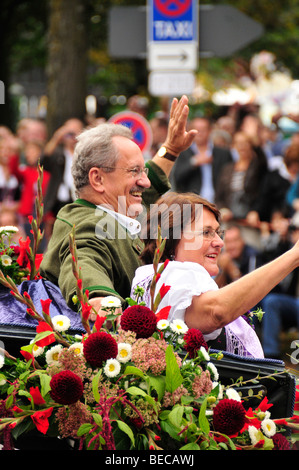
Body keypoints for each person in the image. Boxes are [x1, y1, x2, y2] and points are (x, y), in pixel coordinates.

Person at [39, 95, 197, 319]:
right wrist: (100, 301)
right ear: (98, 179)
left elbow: (147, 189)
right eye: (134, 171)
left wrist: (170, 149)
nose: (145, 181)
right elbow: (83, 265)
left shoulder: (108, 207)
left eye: (143, 171)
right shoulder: (87, 227)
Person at [132, 191, 299, 358]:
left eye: (218, 233)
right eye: (206, 233)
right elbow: (216, 312)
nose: (220, 243)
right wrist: (294, 256)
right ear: (170, 240)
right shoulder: (166, 277)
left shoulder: (176, 278)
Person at [261, 214, 299, 359]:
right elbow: (271, 266)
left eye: (297, 230)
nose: (294, 233)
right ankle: (269, 355)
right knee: (270, 300)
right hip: (291, 302)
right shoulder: (288, 248)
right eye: (293, 229)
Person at [170, 116, 233, 202]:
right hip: (193, 203)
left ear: (210, 130)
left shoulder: (223, 153)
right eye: (196, 130)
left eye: (203, 130)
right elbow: (176, 177)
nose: (199, 133)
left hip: (219, 203)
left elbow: (230, 176)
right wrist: (194, 162)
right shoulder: (183, 153)